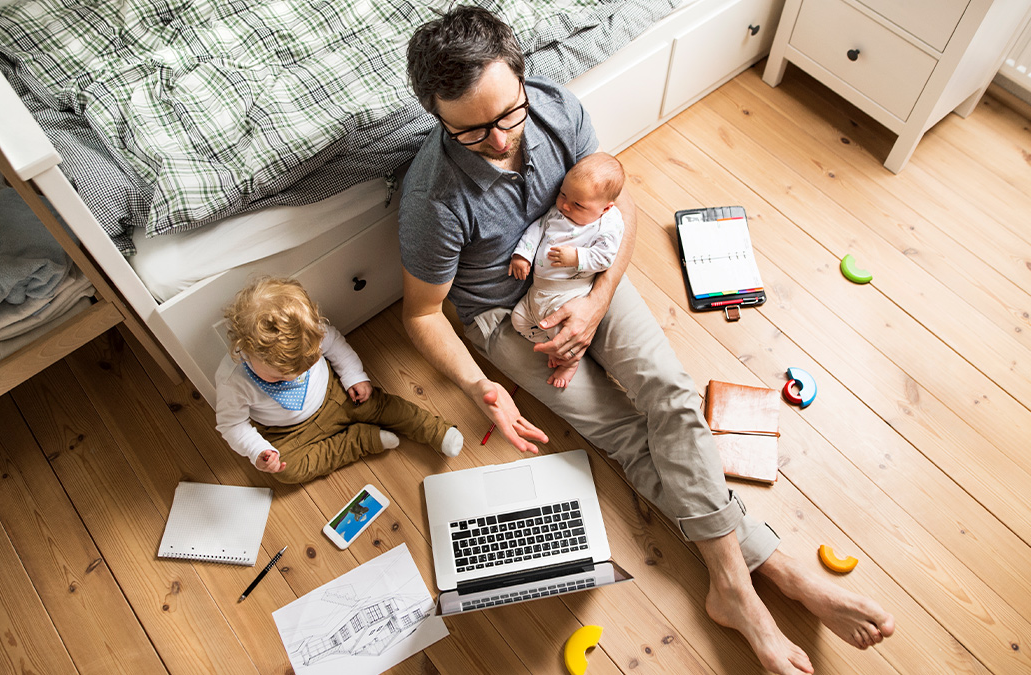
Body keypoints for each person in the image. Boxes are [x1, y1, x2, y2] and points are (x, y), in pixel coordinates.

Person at [397, 7, 894, 674]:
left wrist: (597, 306)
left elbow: (620, 203)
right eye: (471, 129)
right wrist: (482, 385)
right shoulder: (432, 200)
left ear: (521, 79)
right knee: (627, 434)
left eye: (507, 114)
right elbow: (423, 313)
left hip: (582, 270)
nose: (498, 140)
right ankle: (766, 575)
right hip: (508, 314)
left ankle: (740, 586)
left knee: (672, 394)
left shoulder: (554, 108)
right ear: (436, 115)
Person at [215, 277, 463, 483]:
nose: (296, 377)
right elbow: (232, 425)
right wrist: (259, 451)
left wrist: (354, 376)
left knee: (382, 405)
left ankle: (436, 431)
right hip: (287, 432)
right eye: (279, 377)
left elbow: (337, 348)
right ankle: (360, 440)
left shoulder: (310, 330)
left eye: (305, 367)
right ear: (245, 349)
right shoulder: (233, 380)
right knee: (287, 471)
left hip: (337, 394)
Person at [508, 152, 625, 388]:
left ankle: (570, 361)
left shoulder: (608, 224)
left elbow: (605, 257)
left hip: (567, 294)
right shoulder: (558, 211)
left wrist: (577, 257)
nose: (564, 205)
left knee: (564, 332)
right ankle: (554, 344)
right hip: (538, 291)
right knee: (518, 320)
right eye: (563, 194)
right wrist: (523, 254)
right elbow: (537, 228)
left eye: (578, 204)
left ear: (605, 208)